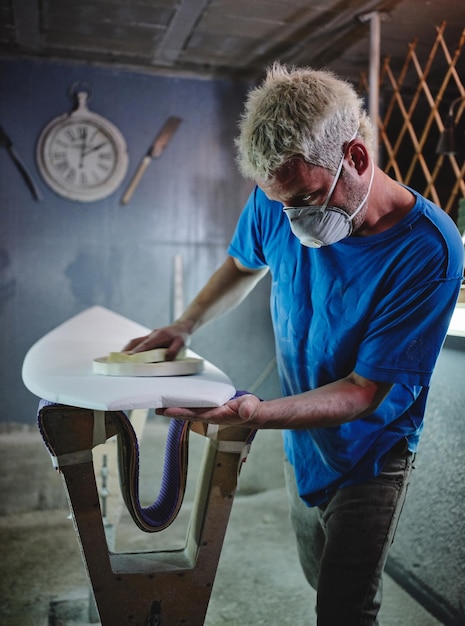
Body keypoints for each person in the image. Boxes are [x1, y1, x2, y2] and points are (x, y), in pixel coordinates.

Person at [124, 63, 464, 624]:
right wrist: (185, 324)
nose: (291, 220)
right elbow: (241, 264)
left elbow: (363, 392)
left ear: (355, 159)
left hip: (369, 451)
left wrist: (255, 414)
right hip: (302, 440)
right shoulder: (277, 199)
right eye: (278, 202)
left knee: (343, 607)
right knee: (316, 575)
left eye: (304, 199)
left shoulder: (428, 251)